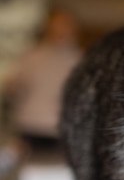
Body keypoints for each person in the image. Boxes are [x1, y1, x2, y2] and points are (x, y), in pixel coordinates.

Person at [3, 8, 81, 155]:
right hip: (31, 123)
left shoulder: (78, 58)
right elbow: (13, 87)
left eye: (64, 24)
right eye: (56, 24)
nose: (60, 29)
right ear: (48, 26)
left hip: (62, 127)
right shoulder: (32, 55)